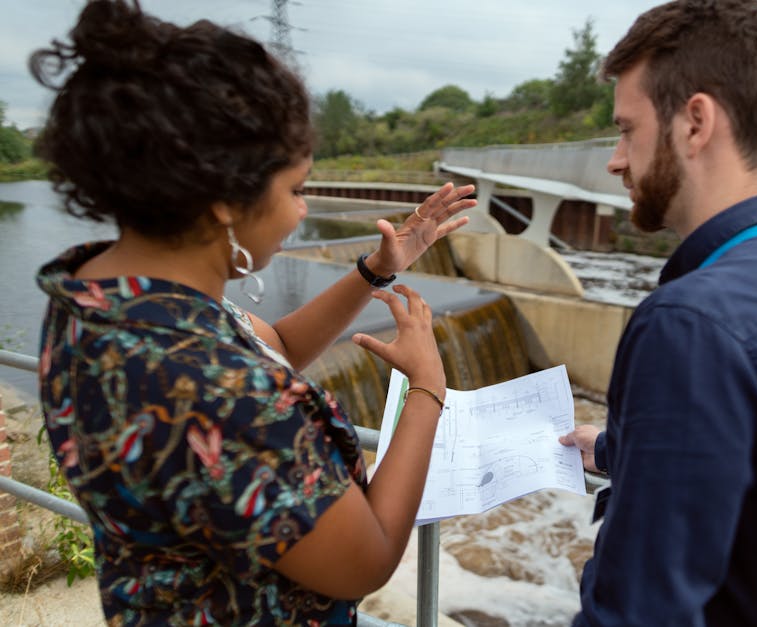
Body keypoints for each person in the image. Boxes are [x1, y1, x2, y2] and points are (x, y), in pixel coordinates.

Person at [31, 1, 476, 624]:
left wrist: (379, 268)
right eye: (295, 189)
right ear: (222, 198)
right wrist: (428, 388)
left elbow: (276, 349)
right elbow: (366, 559)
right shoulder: (212, 386)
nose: (301, 211)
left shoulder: (98, 297)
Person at [559, 1, 757, 625]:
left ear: (695, 123)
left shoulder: (690, 324)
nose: (615, 159)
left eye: (628, 130)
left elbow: (638, 614)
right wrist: (618, 450)